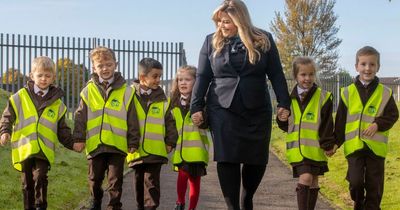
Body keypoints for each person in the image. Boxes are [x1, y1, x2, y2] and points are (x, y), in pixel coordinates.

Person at [190, 0, 291, 209]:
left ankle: (247, 197)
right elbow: (202, 76)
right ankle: (232, 207)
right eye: (219, 22)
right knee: (227, 159)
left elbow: (276, 73)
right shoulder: (210, 42)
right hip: (222, 109)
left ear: (239, 20)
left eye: (226, 22)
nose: (221, 26)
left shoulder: (263, 39)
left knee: (257, 160)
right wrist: (196, 106)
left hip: (257, 108)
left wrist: (284, 102)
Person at [0, 56, 75, 210]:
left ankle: (41, 206)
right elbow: (7, 116)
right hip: (24, 148)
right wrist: (5, 131)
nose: (43, 79)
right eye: (40, 75)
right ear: (31, 75)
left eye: (47, 76)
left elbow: (63, 129)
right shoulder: (19, 97)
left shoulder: (58, 104)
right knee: (27, 182)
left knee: (40, 177)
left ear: (53, 77)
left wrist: (73, 144)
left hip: (43, 150)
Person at [73, 46, 140, 210]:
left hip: (117, 145)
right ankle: (96, 201)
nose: (105, 69)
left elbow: (132, 118)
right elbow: (80, 116)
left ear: (115, 65)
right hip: (95, 145)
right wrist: (79, 138)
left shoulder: (127, 91)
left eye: (108, 64)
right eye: (100, 65)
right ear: (94, 68)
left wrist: (133, 141)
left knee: (115, 180)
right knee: (94, 180)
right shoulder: (87, 91)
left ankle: (114, 205)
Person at [334, 46, 399, 210]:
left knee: (374, 187)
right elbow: (341, 121)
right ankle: (358, 203)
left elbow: (393, 115)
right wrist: (335, 142)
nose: (367, 68)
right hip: (354, 147)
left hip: (375, 149)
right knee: (355, 183)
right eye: (363, 64)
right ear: (356, 66)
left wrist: (378, 124)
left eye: (372, 64)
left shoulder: (385, 92)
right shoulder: (347, 92)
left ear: (378, 67)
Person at [276, 56, 336, 210]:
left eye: (311, 74)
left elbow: (328, 124)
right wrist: (281, 118)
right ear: (296, 76)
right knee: (306, 177)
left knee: (314, 181)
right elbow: (285, 126)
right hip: (297, 152)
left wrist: (328, 144)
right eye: (303, 75)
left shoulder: (323, 97)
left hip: (316, 149)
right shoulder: (288, 99)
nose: (307, 78)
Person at [126, 58, 178, 210]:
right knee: (138, 182)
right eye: (155, 76)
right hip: (135, 150)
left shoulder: (163, 100)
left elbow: (170, 122)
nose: (158, 80)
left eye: (160, 76)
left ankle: (151, 208)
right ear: (142, 77)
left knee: (152, 183)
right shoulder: (128, 96)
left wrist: (170, 141)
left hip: (156, 150)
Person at [170, 65, 210, 210]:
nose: (183, 83)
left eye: (187, 79)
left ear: (196, 82)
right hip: (181, 150)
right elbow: (171, 125)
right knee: (181, 176)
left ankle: (191, 208)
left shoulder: (202, 103)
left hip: (197, 150)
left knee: (194, 181)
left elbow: (207, 123)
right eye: (180, 79)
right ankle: (180, 202)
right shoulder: (174, 103)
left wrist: (202, 117)